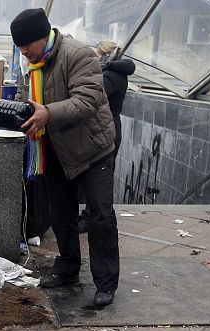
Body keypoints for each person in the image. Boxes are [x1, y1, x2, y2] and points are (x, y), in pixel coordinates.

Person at [11, 8, 120, 307]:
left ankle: (106, 282)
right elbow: (26, 100)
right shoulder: (30, 63)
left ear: (42, 36)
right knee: (61, 212)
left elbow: (88, 100)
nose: (23, 51)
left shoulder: (78, 54)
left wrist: (47, 113)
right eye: (19, 46)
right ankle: (68, 267)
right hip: (55, 148)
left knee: (100, 216)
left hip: (92, 148)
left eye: (26, 45)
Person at [78, 41, 136, 233]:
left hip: (107, 128)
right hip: (108, 127)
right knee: (100, 176)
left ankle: (92, 218)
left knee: (100, 177)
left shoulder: (112, 75)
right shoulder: (113, 72)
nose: (94, 59)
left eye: (97, 55)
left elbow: (94, 95)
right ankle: (92, 216)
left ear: (105, 56)